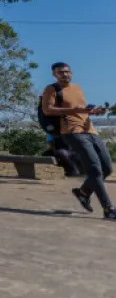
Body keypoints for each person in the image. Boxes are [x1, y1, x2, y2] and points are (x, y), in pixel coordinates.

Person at [41, 62, 114, 219]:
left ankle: (83, 192)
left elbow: (81, 110)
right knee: (95, 170)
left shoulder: (78, 88)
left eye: (67, 72)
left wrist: (94, 111)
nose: (64, 74)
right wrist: (75, 110)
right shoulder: (51, 89)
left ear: (71, 73)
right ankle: (108, 209)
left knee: (107, 168)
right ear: (54, 74)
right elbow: (47, 110)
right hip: (72, 132)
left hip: (90, 130)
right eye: (60, 72)